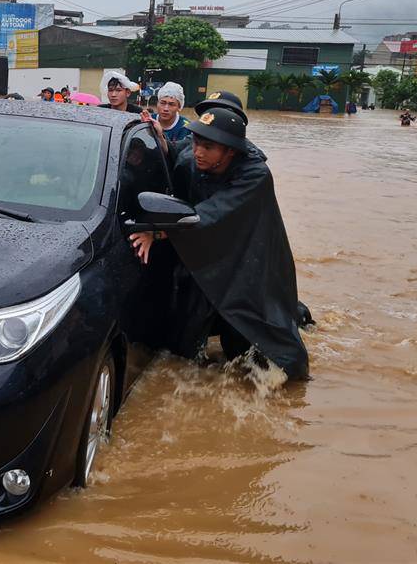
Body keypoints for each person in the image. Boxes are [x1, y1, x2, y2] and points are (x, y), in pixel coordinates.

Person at [130, 107, 310, 380]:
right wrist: (162, 139)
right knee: (186, 342)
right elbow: (180, 153)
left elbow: (210, 215)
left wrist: (156, 233)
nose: (198, 151)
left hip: (250, 261)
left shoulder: (254, 175)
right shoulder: (196, 158)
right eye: (196, 142)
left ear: (230, 152)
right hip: (211, 258)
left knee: (262, 346)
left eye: (208, 146)